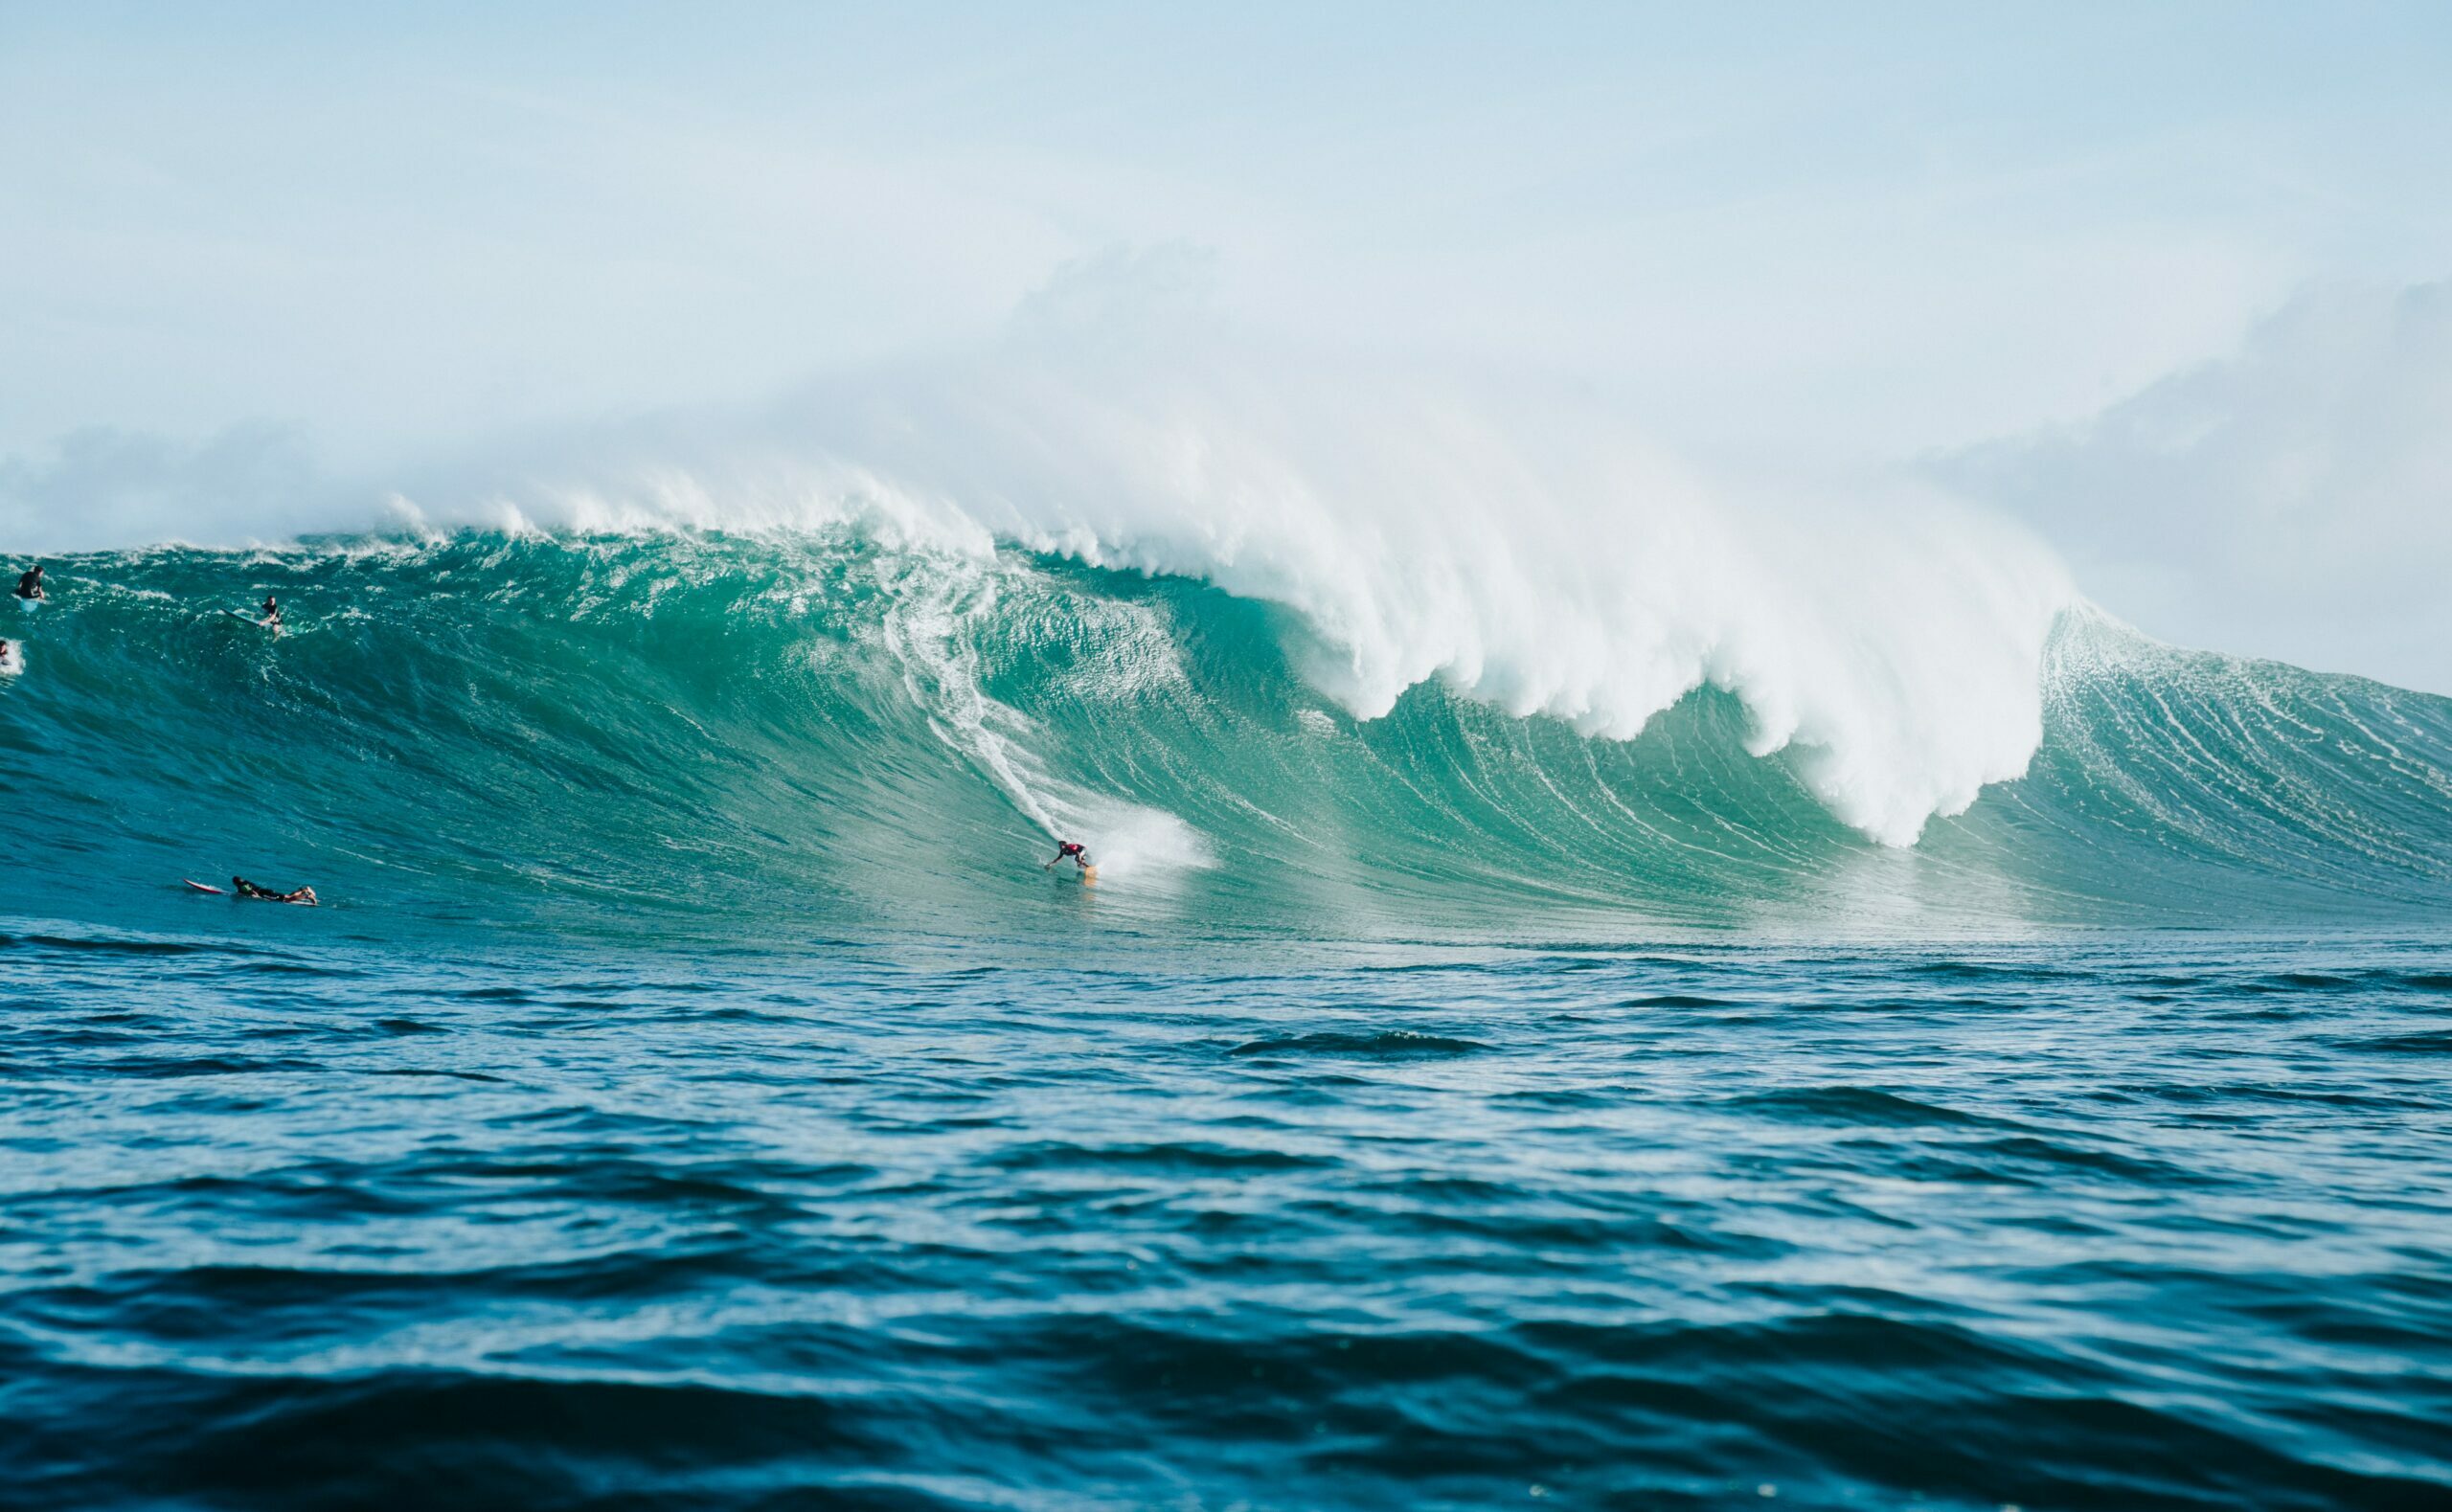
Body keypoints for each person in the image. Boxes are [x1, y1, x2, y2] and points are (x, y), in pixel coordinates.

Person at [232, 875, 317, 905]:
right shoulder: (245, 882)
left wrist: (258, 897)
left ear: (236, 883)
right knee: (287, 896)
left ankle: (306, 895)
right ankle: (303, 891)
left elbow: (252, 892)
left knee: (286, 899)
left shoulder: (243, 886)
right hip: (267, 891)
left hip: (266, 894)